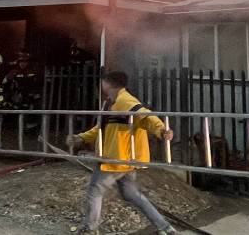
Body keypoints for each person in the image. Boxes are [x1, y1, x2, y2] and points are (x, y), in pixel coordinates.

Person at [67, 71, 177, 235]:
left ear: (108, 83)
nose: (101, 85)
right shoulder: (111, 103)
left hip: (116, 158)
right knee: (131, 194)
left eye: (103, 82)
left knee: (95, 190)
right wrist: (81, 138)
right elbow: (102, 129)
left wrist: (162, 130)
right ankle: (165, 227)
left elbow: (146, 116)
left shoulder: (126, 102)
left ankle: (89, 229)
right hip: (124, 158)